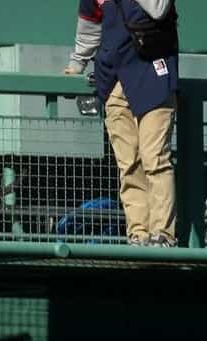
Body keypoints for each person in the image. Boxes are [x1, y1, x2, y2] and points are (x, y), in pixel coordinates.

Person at [66, 0, 179, 247]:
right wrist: (76, 64)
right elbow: (89, 27)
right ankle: (138, 235)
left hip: (153, 74)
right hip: (114, 82)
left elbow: (158, 9)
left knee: (155, 159)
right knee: (129, 164)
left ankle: (162, 235)